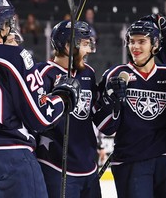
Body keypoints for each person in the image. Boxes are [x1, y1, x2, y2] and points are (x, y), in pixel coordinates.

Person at [0, 0, 81, 198]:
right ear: (3, 25)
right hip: (9, 159)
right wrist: (63, 97)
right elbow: (41, 117)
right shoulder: (14, 57)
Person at [93, 16, 166, 197]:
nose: (135, 47)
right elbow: (105, 126)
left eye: (142, 41)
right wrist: (113, 100)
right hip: (131, 161)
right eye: (132, 41)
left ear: (155, 45)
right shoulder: (115, 75)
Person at [36, 20, 102, 198]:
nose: (88, 50)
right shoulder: (43, 73)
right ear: (67, 46)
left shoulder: (88, 72)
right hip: (55, 166)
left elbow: (92, 113)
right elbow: (35, 118)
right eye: (85, 44)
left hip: (88, 165)